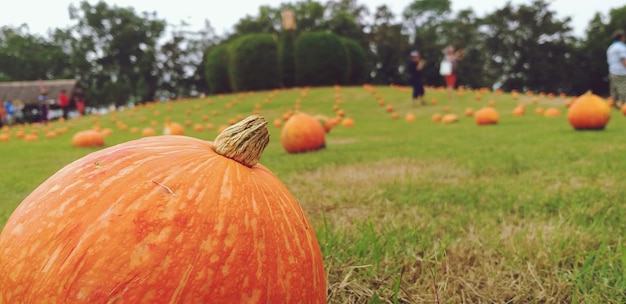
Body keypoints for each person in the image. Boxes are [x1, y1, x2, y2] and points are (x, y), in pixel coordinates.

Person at [607, 29, 626, 109]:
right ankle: (624, 105)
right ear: (621, 37)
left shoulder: (610, 48)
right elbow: (623, 60)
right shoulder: (621, 47)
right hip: (621, 71)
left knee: (614, 90)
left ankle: (614, 105)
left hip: (612, 71)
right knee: (623, 89)